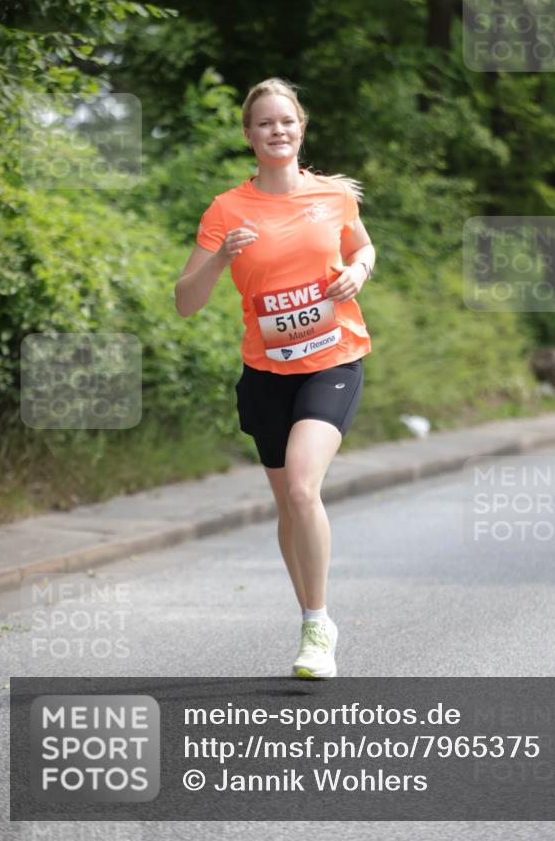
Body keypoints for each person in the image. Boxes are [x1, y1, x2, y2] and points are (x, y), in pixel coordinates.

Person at [174, 77, 375, 679]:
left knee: (301, 490)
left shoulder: (334, 197)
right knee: (287, 507)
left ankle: (316, 626)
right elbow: (186, 301)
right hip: (265, 373)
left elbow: (363, 248)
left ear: (301, 126)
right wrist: (219, 257)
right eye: (264, 123)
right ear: (249, 135)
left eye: (286, 120)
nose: (277, 131)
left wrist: (358, 272)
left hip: (333, 357)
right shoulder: (226, 210)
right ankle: (313, 614)